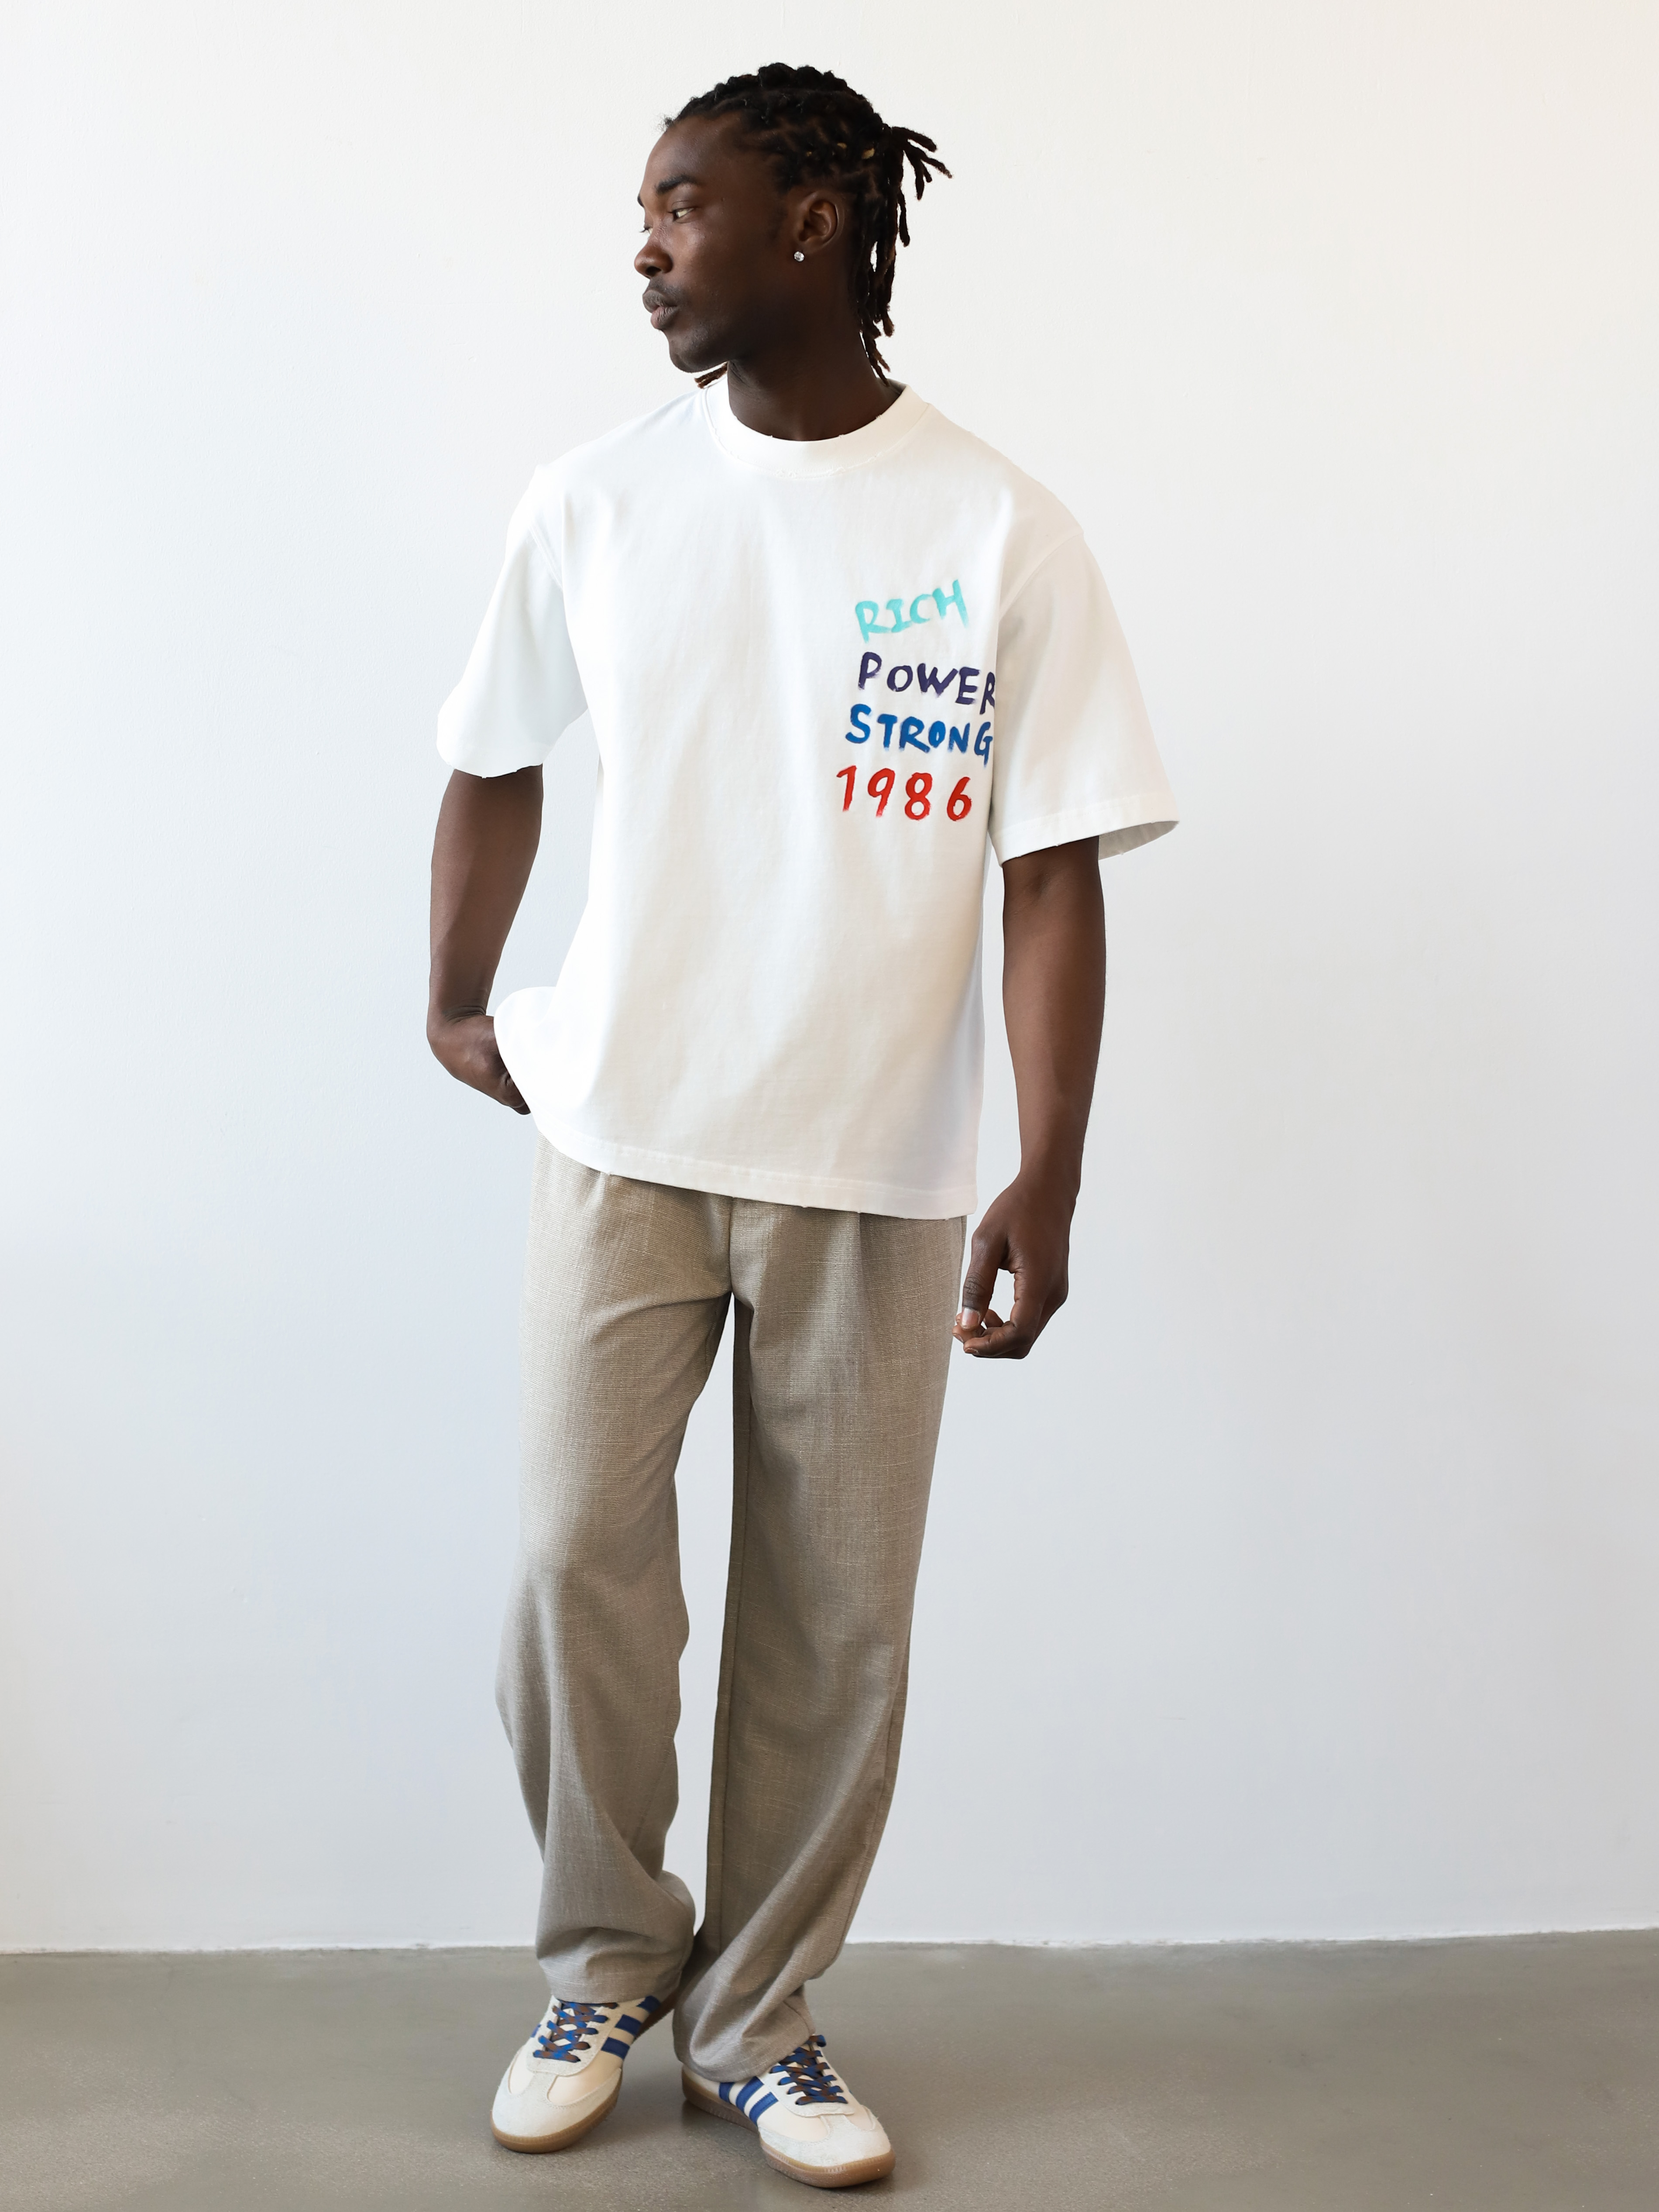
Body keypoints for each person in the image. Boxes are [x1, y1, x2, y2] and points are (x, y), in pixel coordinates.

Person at [427, 60, 1178, 2192]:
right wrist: (455, 991)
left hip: (873, 1155)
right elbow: (492, 754)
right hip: (626, 1127)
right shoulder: (596, 500)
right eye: (648, 206)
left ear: (816, 220)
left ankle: (757, 2018)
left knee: (834, 1621)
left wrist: (1050, 1166)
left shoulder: (998, 528)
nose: (645, 245)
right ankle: (606, 1957)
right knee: (569, 1563)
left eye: (682, 202)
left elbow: (1053, 872)